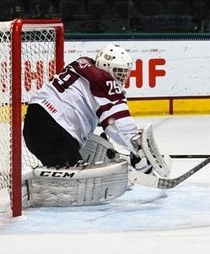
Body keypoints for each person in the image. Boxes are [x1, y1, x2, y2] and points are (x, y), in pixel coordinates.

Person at [22, 44, 151, 174]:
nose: (121, 78)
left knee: (67, 171)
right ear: (105, 66)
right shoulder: (103, 79)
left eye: (124, 73)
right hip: (56, 130)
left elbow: (84, 102)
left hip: (35, 122)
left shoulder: (82, 65)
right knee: (77, 184)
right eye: (118, 72)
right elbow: (118, 122)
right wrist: (137, 148)